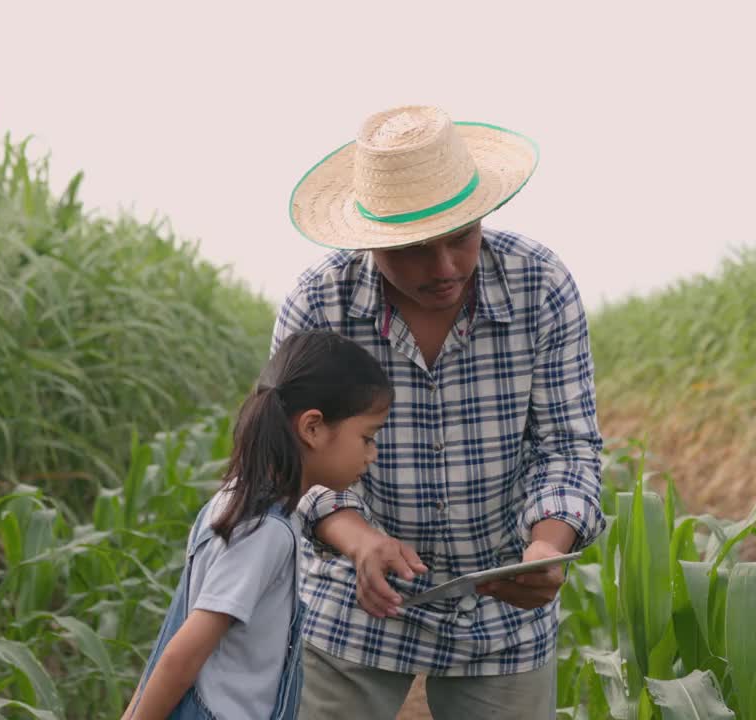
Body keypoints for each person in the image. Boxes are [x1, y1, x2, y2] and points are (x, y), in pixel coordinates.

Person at [275, 105, 605, 719]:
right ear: (372, 241)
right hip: (354, 602)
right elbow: (294, 462)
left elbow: (567, 445)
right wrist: (360, 540)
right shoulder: (321, 304)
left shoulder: (540, 286)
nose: (446, 268)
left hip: (502, 611)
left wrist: (545, 549)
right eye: (415, 250)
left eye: (461, 237)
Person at [122, 330, 394, 720]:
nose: (372, 454)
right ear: (313, 428)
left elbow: (174, 638)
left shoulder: (232, 500)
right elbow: (184, 653)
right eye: (367, 437)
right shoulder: (265, 531)